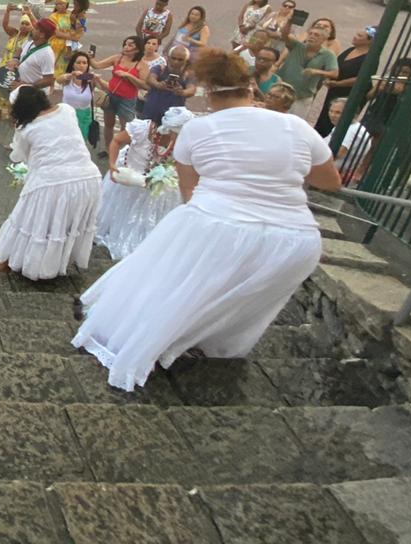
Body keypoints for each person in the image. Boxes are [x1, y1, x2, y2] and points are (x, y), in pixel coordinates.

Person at [72, 49, 343, 391]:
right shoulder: (296, 126)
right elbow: (330, 181)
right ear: (251, 89)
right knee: (238, 302)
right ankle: (206, 350)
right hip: (294, 240)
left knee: (174, 286)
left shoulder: (198, 130)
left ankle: (162, 343)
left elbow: (190, 191)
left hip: (219, 225)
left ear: (209, 92)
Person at [0, 85, 102, 279]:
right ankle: (51, 266)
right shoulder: (67, 110)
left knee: (27, 220)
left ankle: (7, 264)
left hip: (52, 183)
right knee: (63, 225)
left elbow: (18, 156)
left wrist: (19, 129)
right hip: (89, 178)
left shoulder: (27, 128)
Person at [95, 105, 194, 260]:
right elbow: (116, 140)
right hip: (129, 173)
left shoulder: (180, 142)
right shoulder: (142, 129)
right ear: (169, 129)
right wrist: (113, 165)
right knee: (121, 208)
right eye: (178, 134)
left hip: (151, 180)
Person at [315, 26, 375, 137]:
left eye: (360, 36)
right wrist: (329, 77)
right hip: (334, 90)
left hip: (349, 93)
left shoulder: (371, 58)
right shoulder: (350, 50)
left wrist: (338, 83)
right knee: (325, 116)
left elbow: (362, 78)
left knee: (338, 119)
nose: (355, 37)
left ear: (369, 41)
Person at [93, 35, 147, 156]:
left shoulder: (141, 65)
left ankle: (125, 153)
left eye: (130, 45)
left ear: (137, 49)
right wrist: (90, 57)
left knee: (127, 129)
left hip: (127, 100)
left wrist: (128, 76)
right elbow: (97, 65)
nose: (126, 47)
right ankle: (108, 149)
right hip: (111, 95)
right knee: (109, 124)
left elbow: (145, 85)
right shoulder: (117, 58)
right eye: (125, 44)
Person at [275, 23, 340, 116]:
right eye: (310, 34)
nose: (312, 36)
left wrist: (316, 71)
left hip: (302, 97)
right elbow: (284, 34)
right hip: (281, 92)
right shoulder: (297, 46)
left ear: (323, 39)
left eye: (316, 35)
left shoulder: (328, 55)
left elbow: (334, 73)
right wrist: (290, 20)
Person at [321, 97, 370, 183]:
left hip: (333, 170)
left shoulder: (351, 130)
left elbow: (339, 153)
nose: (332, 115)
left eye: (338, 113)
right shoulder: (345, 126)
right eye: (331, 111)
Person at [143, 44, 195, 122]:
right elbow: (150, 79)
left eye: (180, 59)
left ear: (186, 60)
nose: (176, 61)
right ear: (168, 58)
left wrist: (182, 92)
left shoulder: (188, 74)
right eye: (173, 58)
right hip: (153, 108)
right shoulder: (160, 68)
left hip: (174, 112)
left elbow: (191, 89)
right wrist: (158, 84)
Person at [55, 50, 97, 139]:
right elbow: (58, 80)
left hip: (84, 117)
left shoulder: (91, 79)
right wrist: (71, 75)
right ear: (73, 64)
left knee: (80, 142)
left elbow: (107, 88)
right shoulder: (68, 78)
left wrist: (98, 79)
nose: (81, 65)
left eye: (84, 63)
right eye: (78, 63)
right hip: (67, 115)